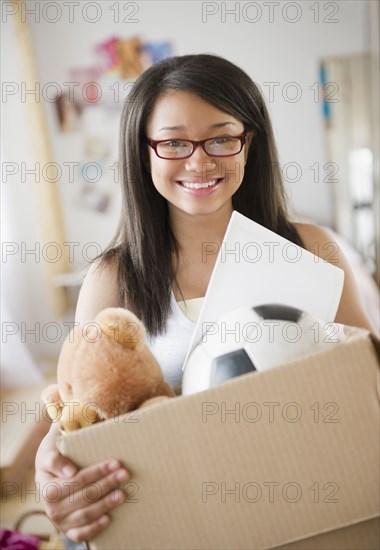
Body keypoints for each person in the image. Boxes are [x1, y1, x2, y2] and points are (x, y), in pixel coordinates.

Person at [35, 54, 376, 542]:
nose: (199, 160)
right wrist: (54, 462)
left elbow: (366, 376)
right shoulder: (113, 278)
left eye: (220, 137)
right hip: (183, 521)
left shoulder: (311, 248)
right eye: (173, 142)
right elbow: (78, 408)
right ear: (144, 151)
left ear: (248, 144)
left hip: (308, 507)